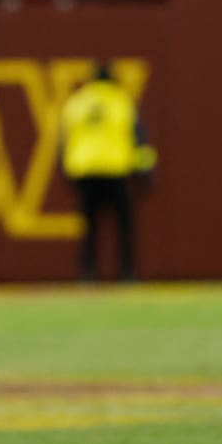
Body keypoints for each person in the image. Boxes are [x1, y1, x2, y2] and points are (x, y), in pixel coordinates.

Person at [59, 62, 156, 282]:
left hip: (85, 172)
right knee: (124, 227)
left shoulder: (76, 103)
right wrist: (145, 174)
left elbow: (64, 142)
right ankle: (127, 274)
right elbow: (138, 139)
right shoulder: (121, 101)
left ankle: (87, 275)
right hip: (116, 171)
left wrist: (65, 172)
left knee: (89, 229)